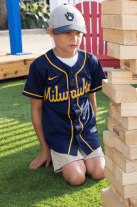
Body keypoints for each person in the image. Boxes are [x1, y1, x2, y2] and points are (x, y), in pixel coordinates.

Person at [22, 4, 105, 186]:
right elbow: (36, 110)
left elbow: (92, 100)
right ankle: (57, 152)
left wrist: (91, 131)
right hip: (59, 135)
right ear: (51, 32)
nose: (74, 38)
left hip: (86, 132)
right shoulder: (40, 66)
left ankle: (83, 154)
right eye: (66, 33)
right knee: (77, 178)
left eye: (78, 33)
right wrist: (44, 148)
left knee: (100, 172)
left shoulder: (91, 61)